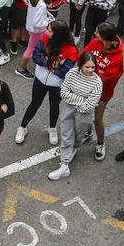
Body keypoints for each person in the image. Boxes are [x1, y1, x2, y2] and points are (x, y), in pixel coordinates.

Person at [15, 21, 77, 146]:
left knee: (54, 106)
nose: (46, 31)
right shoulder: (44, 38)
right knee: (34, 103)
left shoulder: (71, 49)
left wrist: (51, 67)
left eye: (49, 30)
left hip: (57, 84)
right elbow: (36, 56)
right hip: (40, 79)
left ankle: (52, 128)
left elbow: (66, 71)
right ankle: (22, 127)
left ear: (57, 35)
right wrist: (49, 65)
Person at [45, 51, 104, 181]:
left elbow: (91, 105)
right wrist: (83, 100)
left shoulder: (97, 82)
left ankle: (74, 148)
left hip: (84, 114)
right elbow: (64, 93)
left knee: (77, 136)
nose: (90, 70)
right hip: (69, 109)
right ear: (80, 65)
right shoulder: (72, 73)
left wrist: (78, 102)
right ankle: (64, 165)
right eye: (87, 67)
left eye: (92, 67)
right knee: (67, 135)